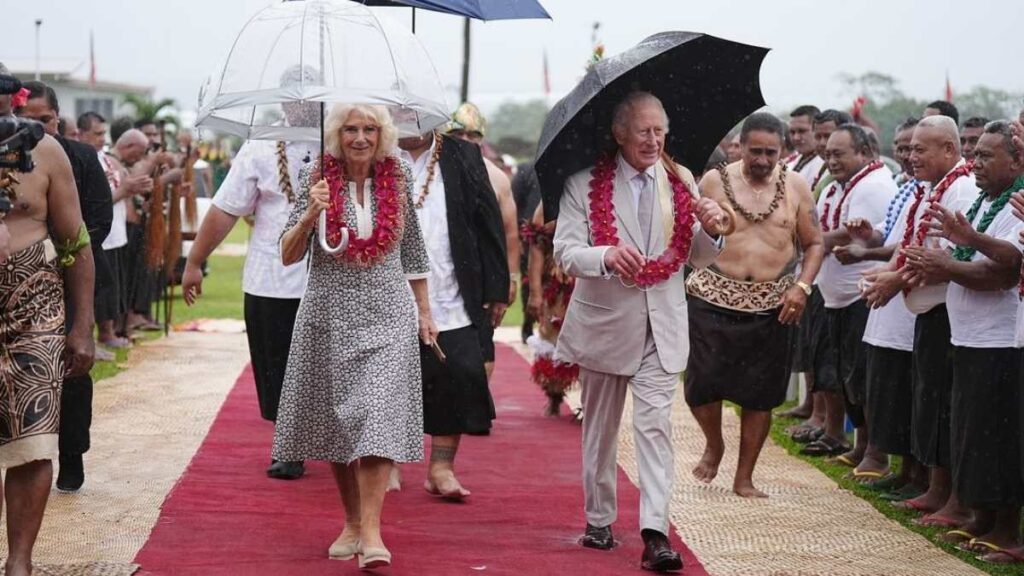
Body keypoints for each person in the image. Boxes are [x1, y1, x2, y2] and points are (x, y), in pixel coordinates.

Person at [554, 91, 726, 572]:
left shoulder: (682, 179)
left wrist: (712, 229)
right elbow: (565, 252)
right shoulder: (583, 183)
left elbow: (697, 255)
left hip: (663, 325)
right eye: (644, 131)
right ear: (619, 133)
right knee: (601, 432)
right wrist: (605, 256)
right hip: (605, 326)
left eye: (660, 131)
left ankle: (655, 533)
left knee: (655, 428)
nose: (654, 141)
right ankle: (600, 520)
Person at [273, 103, 434, 569]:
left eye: (368, 129)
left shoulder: (397, 177)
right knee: (338, 423)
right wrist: (311, 213)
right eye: (349, 129)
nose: (360, 137)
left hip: (387, 313)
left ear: (382, 135)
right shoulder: (316, 178)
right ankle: (350, 522)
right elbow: (286, 254)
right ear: (336, 135)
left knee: (377, 416)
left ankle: (372, 532)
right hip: (328, 314)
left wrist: (424, 310)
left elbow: (413, 248)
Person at [184, 67, 320, 480]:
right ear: (281, 100)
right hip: (271, 277)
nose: (298, 104)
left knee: (326, 366)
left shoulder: (344, 137)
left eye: (307, 96)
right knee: (276, 364)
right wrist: (194, 260)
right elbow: (227, 208)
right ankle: (289, 444)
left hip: (330, 277)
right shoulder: (260, 145)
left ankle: (338, 446)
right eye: (291, 97)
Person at [685, 113, 824, 498]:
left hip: (773, 305)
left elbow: (814, 244)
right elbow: (691, 234)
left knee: (760, 394)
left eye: (771, 152)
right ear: (740, 146)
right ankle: (714, 444)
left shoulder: (796, 186)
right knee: (701, 387)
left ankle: (744, 477)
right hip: (713, 297)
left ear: (783, 150)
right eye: (755, 151)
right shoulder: (714, 181)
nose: (763, 160)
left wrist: (802, 287)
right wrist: (707, 224)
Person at [910, 120, 1024, 554]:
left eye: (986, 156)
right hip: (968, 338)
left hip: (997, 343)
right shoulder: (983, 202)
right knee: (971, 435)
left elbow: (1002, 271)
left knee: (997, 437)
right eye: (974, 155)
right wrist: (948, 255)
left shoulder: (1014, 203)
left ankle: (1007, 531)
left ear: (1015, 161)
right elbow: (967, 255)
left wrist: (949, 263)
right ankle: (981, 518)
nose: (975, 163)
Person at [0, 69, 95, 576]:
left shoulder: (47, 152)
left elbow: (76, 243)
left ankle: (20, 562)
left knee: (33, 439)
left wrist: (82, 327)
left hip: (33, 305)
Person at [862, 115, 978, 523]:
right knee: (930, 398)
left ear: (949, 149)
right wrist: (888, 272)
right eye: (908, 149)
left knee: (944, 402)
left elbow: (947, 260)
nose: (911, 157)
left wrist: (895, 279)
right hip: (932, 313)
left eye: (920, 149)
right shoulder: (934, 188)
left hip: (950, 313)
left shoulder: (961, 190)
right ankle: (935, 488)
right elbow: (916, 246)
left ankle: (952, 498)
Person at [396, 128, 508, 499]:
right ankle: (388, 463)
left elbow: (488, 222)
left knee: (457, 374)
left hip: (452, 289)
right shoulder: (372, 149)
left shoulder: (462, 155)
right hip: (388, 289)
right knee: (391, 379)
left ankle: (441, 467)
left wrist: (496, 288)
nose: (406, 123)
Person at [15, 81, 114, 493]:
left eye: (45, 120)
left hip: (72, 275)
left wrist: (59, 254)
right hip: (20, 283)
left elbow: (98, 220)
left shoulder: (81, 157)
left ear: (59, 120)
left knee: (73, 370)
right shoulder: (11, 157)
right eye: (26, 120)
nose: (37, 128)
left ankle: (72, 454)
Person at [800, 124, 896, 463]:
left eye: (839, 153)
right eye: (828, 154)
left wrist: (808, 243)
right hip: (835, 296)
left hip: (862, 295)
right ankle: (855, 443)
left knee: (861, 377)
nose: (831, 160)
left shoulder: (873, 185)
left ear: (865, 153)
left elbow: (851, 235)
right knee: (843, 375)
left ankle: (873, 450)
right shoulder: (839, 186)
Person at [446, 103, 518, 384]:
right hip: (444, 268)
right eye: (458, 134)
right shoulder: (433, 174)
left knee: (482, 340)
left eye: (471, 135)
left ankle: (479, 397)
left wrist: (510, 278)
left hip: (484, 271)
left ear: (481, 139)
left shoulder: (497, 178)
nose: (465, 141)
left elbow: (510, 233)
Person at [524, 200, 579, 416]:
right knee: (553, 337)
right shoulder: (549, 200)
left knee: (593, 341)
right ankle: (554, 395)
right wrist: (535, 292)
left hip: (595, 281)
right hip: (558, 286)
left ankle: (591, 402)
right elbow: (537, 248)